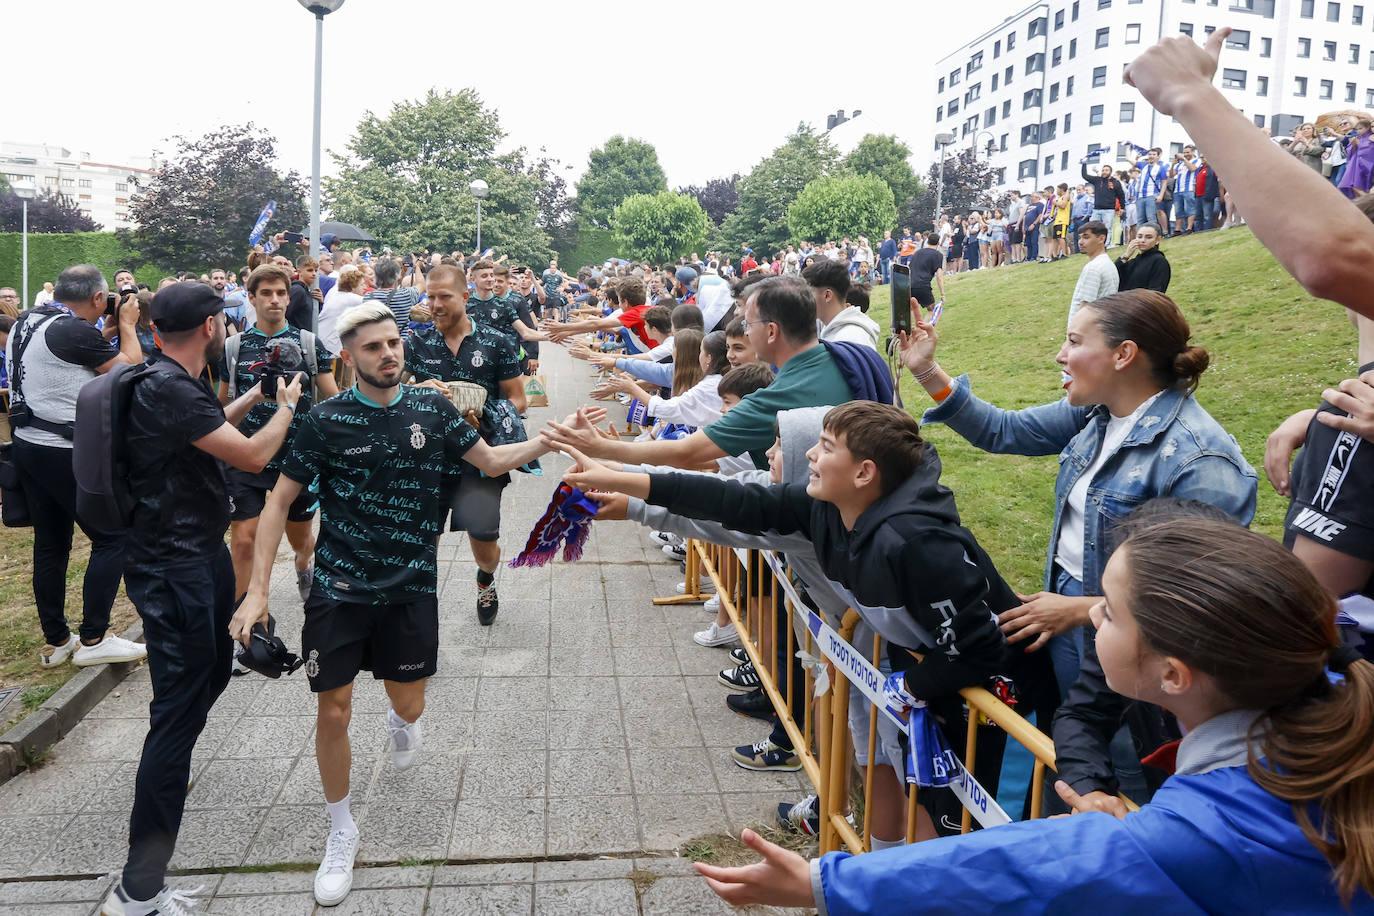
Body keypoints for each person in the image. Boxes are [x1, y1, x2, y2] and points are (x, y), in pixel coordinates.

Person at [692, 518, 1374, 914]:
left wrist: (821, 882)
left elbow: (1023, 868)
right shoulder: (1335, 681)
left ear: (1174, 674)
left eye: (1106, 609)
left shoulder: (1190, 838)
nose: (1089, 614)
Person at [229, 302, 556, 908]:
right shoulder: (323, 421)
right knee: (333, 712)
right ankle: (340, 830)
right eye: (374, 347)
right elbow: (277, 504)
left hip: (410, 587)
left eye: (393, 343)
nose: (389, 354)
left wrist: (553, 437)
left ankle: (403, 722)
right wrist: (256, 593)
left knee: (408, 702)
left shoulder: (432, 408)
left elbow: (487, 461)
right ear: (348, 359)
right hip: (339, 588)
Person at [899, 290, 1256, 706]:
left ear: (1123, 354)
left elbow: (1195, 598)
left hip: (1137, 652)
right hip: (1071, 625)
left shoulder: (1200, 461)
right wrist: (926, 371)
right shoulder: (1098, 412)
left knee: (1121, 760)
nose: (1060, 355)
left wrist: (1078, 610)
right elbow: (1002, 430)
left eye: (1074, 341)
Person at [99, 283, 305, 916]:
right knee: (177, 714)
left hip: (192, 558)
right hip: (175, 568)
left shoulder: (162, 376)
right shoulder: (166, 387)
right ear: (215, 325)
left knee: (210, 675)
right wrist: (288, 407)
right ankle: (138, 889)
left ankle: (174, 752)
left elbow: (210, 427)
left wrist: (254, 395)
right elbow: (250, 453)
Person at [542, 278, 854, 472]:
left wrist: (602, 449)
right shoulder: (846, 359)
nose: (740, 329)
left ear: (771, 331)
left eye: (747, 323)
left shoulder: (770, 398)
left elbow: (690, 451)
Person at [5, 264, 147, 670]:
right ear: (99, 298)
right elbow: (130, 372)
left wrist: (104, 332)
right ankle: (94, 638)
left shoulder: (31, 320)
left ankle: (58, 640)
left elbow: (69, 357)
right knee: (112, 536)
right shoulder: (71, 331)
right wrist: (128, 326)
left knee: (51, 543)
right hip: (62, 449)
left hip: (27, 445)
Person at [403, 264, 528, 625]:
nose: (436, 304)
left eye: (445, 296)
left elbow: (519, 400)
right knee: (424, 547)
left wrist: (484, 415)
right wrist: (415, 389)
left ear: (465, 297)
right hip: (425, 461)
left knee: (484, 548)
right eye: (431, 296)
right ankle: (420, 618)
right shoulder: (416, 342)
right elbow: (389, 394)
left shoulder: (496, 342)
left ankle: (485, 579)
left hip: (480, 461)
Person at [218, 264, 338, 602]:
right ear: (251, 298)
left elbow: (332, 397)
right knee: (243, 539)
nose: (275, 300)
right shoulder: (234, 347)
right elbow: (222, 404)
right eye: (266, 293)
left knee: (301, 539)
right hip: (244, 454)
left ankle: (303, 563)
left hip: (295, 456)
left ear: (289, 298)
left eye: (281, 293)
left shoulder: (308, 344)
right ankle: (250, 618)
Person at [803, 259, 878, 348]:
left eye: (807, 293)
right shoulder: (835, 330)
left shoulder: (848, 341)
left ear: (827, 295)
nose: (803, 299)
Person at [1067, 220, 1118, 328]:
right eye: (1080, 237)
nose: (1080, 242)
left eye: (1086, 237)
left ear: (1101, 239)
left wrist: (1074, 333)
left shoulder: (1094, 267)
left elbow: (1086, 305)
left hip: (1087, 330)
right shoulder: (1106, 263)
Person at [362, 258, 423, 334]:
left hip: (377, 342)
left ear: (376, 276)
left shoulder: (368, 297)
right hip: (399, 342)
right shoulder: (405, 295)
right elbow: (421, 284)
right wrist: (415, 266)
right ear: (398, 276)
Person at [1113, 223, 1171, 293]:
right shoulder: (1134, 261)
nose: (1143, 240)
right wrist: (1126, 255)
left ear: (1158, 240)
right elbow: (1113, 276)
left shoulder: (1159, 261)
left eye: (1149, 237)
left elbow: (1156, 292)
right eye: (1139, 237)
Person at [909, 233, 945, 321]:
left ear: (927, 241)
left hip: (909, 284)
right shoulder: (938, 255)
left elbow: (909, 268)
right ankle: (923, 329)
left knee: (909, 309)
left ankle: (908, 331)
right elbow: (939, 276)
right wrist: (943, 294)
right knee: (931, 308)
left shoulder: (917, 253)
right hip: (923, 285)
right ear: (938, 243)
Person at [1082, 159, 1126, 231]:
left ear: (1110, 172)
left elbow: (1121, 195)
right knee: (1092, 229)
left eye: (1106, 170)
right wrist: (1084, 164)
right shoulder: (1097, 180)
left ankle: (1106, 243)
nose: (1104, 172)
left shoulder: (1115, 182)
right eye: (1103, 170)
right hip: (1096, 210)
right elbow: (1085, 175)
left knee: (1107, 229)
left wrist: (1123, 207)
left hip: (1109, 210)